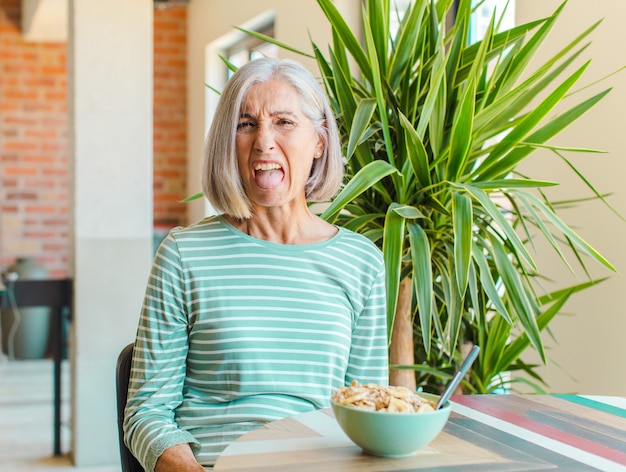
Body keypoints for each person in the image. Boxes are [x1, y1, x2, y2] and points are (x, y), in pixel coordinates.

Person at [123, 57, 389, 471]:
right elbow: (146, 414)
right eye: (245, 124)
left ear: (319, 141)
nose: (263, 140)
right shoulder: (183, 254)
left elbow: (370, 412)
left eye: (284, 122)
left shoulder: (361, 263)